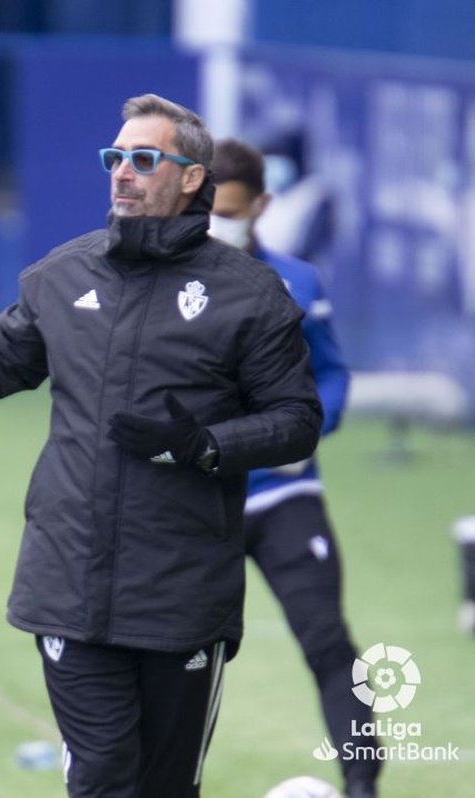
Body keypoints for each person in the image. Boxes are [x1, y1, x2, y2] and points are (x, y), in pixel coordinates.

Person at [0, 95, 322, 797]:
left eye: (144, 159)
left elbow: (295, 420)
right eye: (116, 159)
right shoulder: (64, 274)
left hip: (181, 594)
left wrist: (201, 445)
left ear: (192, 177)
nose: (123, 174)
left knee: (164, 787)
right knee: (103, 776)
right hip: (70, 582)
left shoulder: (251, 296)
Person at [209, 137, 380, 798]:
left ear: (262, 205)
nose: (219, 223)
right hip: (198, 505)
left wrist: (311, 427)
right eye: (209, 211)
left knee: (328, 641)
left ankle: (362, 786)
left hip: (284, 495)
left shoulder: (298, 282)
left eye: (232, 210)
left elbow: (332, 377)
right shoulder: (171, 285)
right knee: (174, 655)